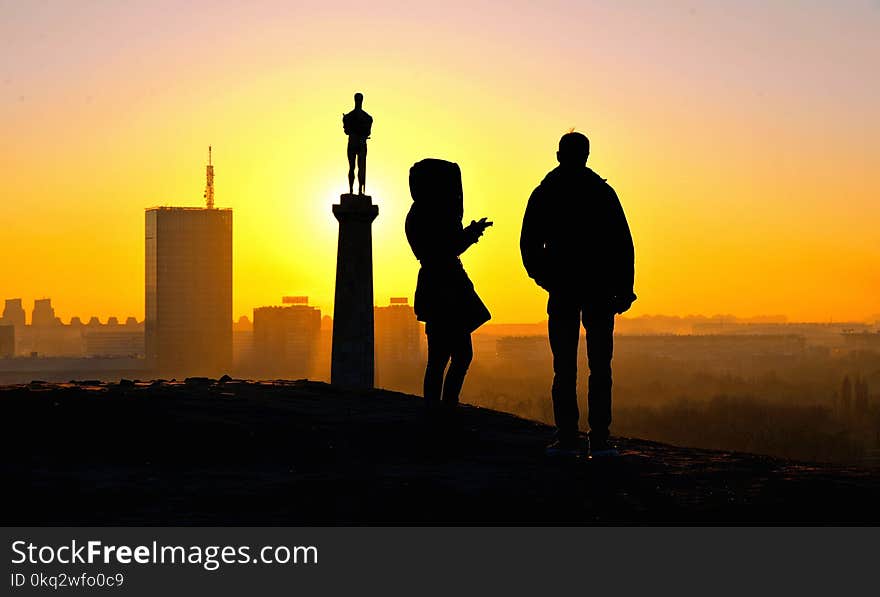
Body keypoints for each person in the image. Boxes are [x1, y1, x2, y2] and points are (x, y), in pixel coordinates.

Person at [520, 132, 636, 458]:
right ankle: (597, 439)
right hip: (597, 289)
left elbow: (529, 246)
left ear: (559, 155)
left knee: (566, 368)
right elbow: (622, 246)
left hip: (567, 290)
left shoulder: (546, 193)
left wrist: (548, 278)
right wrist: (623, 288)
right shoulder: (601, 192)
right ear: (586, 155)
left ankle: (569, 437)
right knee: (598, 367)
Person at [406, 158, 492, 422]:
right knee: (449, 356)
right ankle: (442, 411)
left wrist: (469, 233)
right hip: (444, 288)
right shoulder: (426, 214)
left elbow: (445, 246)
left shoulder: (422, 213)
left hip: (442, 286)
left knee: (446, 356)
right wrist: (470, 234)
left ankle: (440, 411)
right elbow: (444, 249)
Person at [342, 92, 373, 195]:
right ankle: (354, 190)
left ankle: (358, 190)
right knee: (354, 167)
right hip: (357, 142)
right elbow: (347, 131)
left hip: (356, 142)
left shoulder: (366, 118)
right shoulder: (366, 118)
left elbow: (347, 131)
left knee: (357, 167)